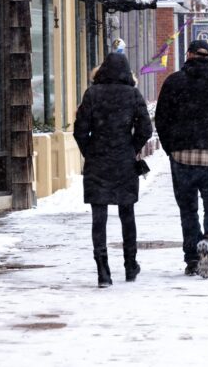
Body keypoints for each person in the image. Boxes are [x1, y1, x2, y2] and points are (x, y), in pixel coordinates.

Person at [154, 40, 208, 279]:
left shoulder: (174, 82)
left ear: (189, 55)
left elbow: (161, 118)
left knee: (188, 210)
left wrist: (172, 147)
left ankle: (192, 259)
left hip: (182, 156)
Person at [73, 53, 152, 288]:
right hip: (124, 162)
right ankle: (130, 264)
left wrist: (91, 151)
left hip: (98, 161)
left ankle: (103, 270)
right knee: (127, 215)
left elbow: (79, 130)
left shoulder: (92, 94)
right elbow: (146, 128)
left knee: (99, 218)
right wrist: (132, 147)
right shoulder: (133, 94)